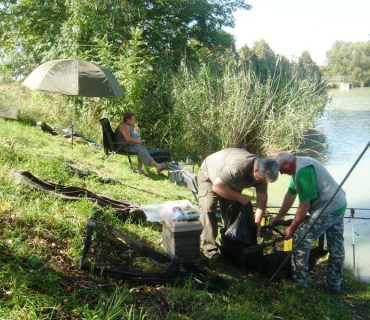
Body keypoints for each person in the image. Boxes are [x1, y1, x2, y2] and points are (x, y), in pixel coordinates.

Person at [270, 151, 347, 293]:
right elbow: (290, 194)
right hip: (339, 203)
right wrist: (279, 216)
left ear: (286, 164)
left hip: (329, 207)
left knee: (301, 237)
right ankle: (334, 285)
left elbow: (304, 206)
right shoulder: (297, 165)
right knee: (336, 246)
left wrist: (292, 229)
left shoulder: (303, 172)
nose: (280, 173)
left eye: (280, 170)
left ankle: (300, 283)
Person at [198, 148, 279, 260]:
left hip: (230, 182)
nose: (263, 183)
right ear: (255, 170)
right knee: (208, 208)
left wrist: (258, 221)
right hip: (209, 174)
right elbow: (217, 186)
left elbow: (262, 198)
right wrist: (240, 197)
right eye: (262, 180)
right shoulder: (239, 167)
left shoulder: (263, 173)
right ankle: (210, 249)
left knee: (232, 212)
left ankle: (228, 244)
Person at [115, 111, 168, 177]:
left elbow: (131, 137)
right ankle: (158, 166)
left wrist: (138, 140)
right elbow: (128, 139)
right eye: (133, 119)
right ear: (128, 120)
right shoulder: (124, 126)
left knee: (143, 149)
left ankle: (140, 169)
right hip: (124, 146)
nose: (134, 121)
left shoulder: (129, 126)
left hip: (129, 144)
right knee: (141, 151)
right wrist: (137, 140)